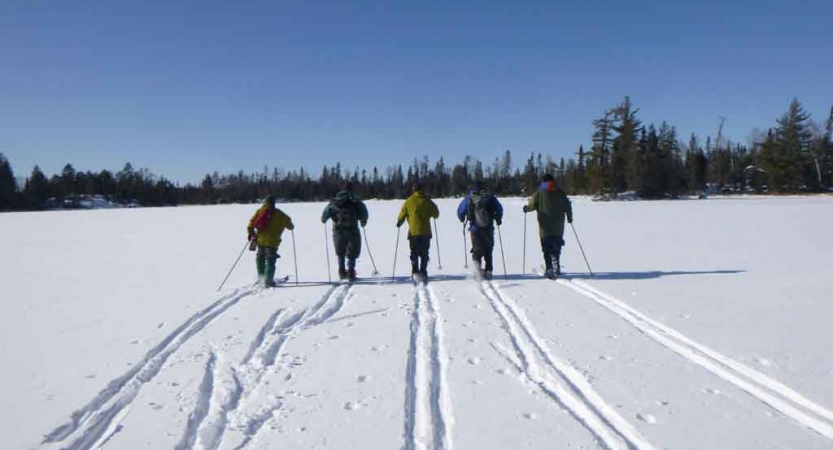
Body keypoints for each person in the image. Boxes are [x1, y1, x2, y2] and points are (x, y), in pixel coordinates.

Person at [523, 174, 572, 279]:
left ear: (543, 182)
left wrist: (526, 209)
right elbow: (567, 205)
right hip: (558, 226)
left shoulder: (539, 193)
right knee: (556, 246)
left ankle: (549, 268)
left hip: (544, 226)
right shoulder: (560, 192)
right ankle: (556, 265)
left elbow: (531, 206)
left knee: (546, 248)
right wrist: (569, 218)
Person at [321, 182, 369, 281]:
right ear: (351, 189)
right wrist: (363, 221)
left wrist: (324, 219)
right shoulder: (356, 200)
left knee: (340, 251)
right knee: (353, 252)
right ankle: (351, 271)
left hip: (338, 230)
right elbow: (364, 213)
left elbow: (324, 215)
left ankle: (342, 271)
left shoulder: (335, 201)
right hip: (353, 229)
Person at [456, 181, 503, 279]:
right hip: (489, 228)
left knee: (477, 249)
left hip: (475, 228)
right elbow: (499, 208)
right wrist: (498, 218)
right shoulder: (490, 197)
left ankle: (477, 271)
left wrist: (462, 218)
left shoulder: (470, 197)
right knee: (488, 249)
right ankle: (489, 271)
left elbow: (460, 210)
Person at [397, 181, 440, 283]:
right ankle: (423, 272)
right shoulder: (427, 201)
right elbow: (436, 215)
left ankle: (415, 272)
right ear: (422, 190)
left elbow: (402, 215)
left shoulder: (409, 201)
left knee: (414, 253)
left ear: (413, 190)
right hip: (425, 232)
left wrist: (399, 222)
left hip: (413, 233)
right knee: (424, 253)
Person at [247, 195, 295, 287]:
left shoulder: (260, 211)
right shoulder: (280, 214)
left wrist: (251, 233)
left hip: (260, 240)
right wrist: (291, 225)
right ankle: (268, 281)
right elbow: (290, 226)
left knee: (260, 258)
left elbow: (250, 224)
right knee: (270, 260)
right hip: (273, 241)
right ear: (274, 203)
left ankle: (261, 277)